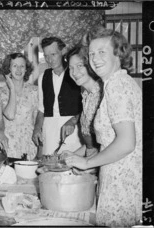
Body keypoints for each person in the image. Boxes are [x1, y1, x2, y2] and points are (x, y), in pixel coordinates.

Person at [64, 26, 142, 226]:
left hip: (122, 179)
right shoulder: (117, 83)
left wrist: (86, 163)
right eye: (91, 53)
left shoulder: (117, 86)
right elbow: (110, 140)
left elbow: (126, 143)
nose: (95, 58)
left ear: (118, 54)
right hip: (116, 175)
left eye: (102, 52)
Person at [32, 37, 83, 156]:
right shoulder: (43, 77)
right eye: (46, 55)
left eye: (53, 54)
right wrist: (37, 128)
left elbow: (86, 105)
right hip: (49, 132)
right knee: (49, 168)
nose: (49, 59)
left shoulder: (76, 73)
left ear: (63, 51)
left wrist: (73, 120)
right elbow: (41, 108)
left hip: (73, 132)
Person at [60, 45, 103, 169]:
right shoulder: (85, 94)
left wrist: (84, 161)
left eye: (80, 66)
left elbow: (110, 143)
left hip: (104, 161)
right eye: (71, 68)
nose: (74, 72)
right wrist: (73, 156)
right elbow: (93, 144)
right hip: (94, 159)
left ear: (90, 64)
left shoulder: (102, 93)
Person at [0, 53, 38, 160]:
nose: (19, 69)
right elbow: (10, 114)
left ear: (26, 69)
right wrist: (12, 88)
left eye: (22, 66)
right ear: (9, 69)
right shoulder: (1, 92)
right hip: (9, 145)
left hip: (30, 145)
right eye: (15, 66)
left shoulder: (34, 91)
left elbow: (37, 121)